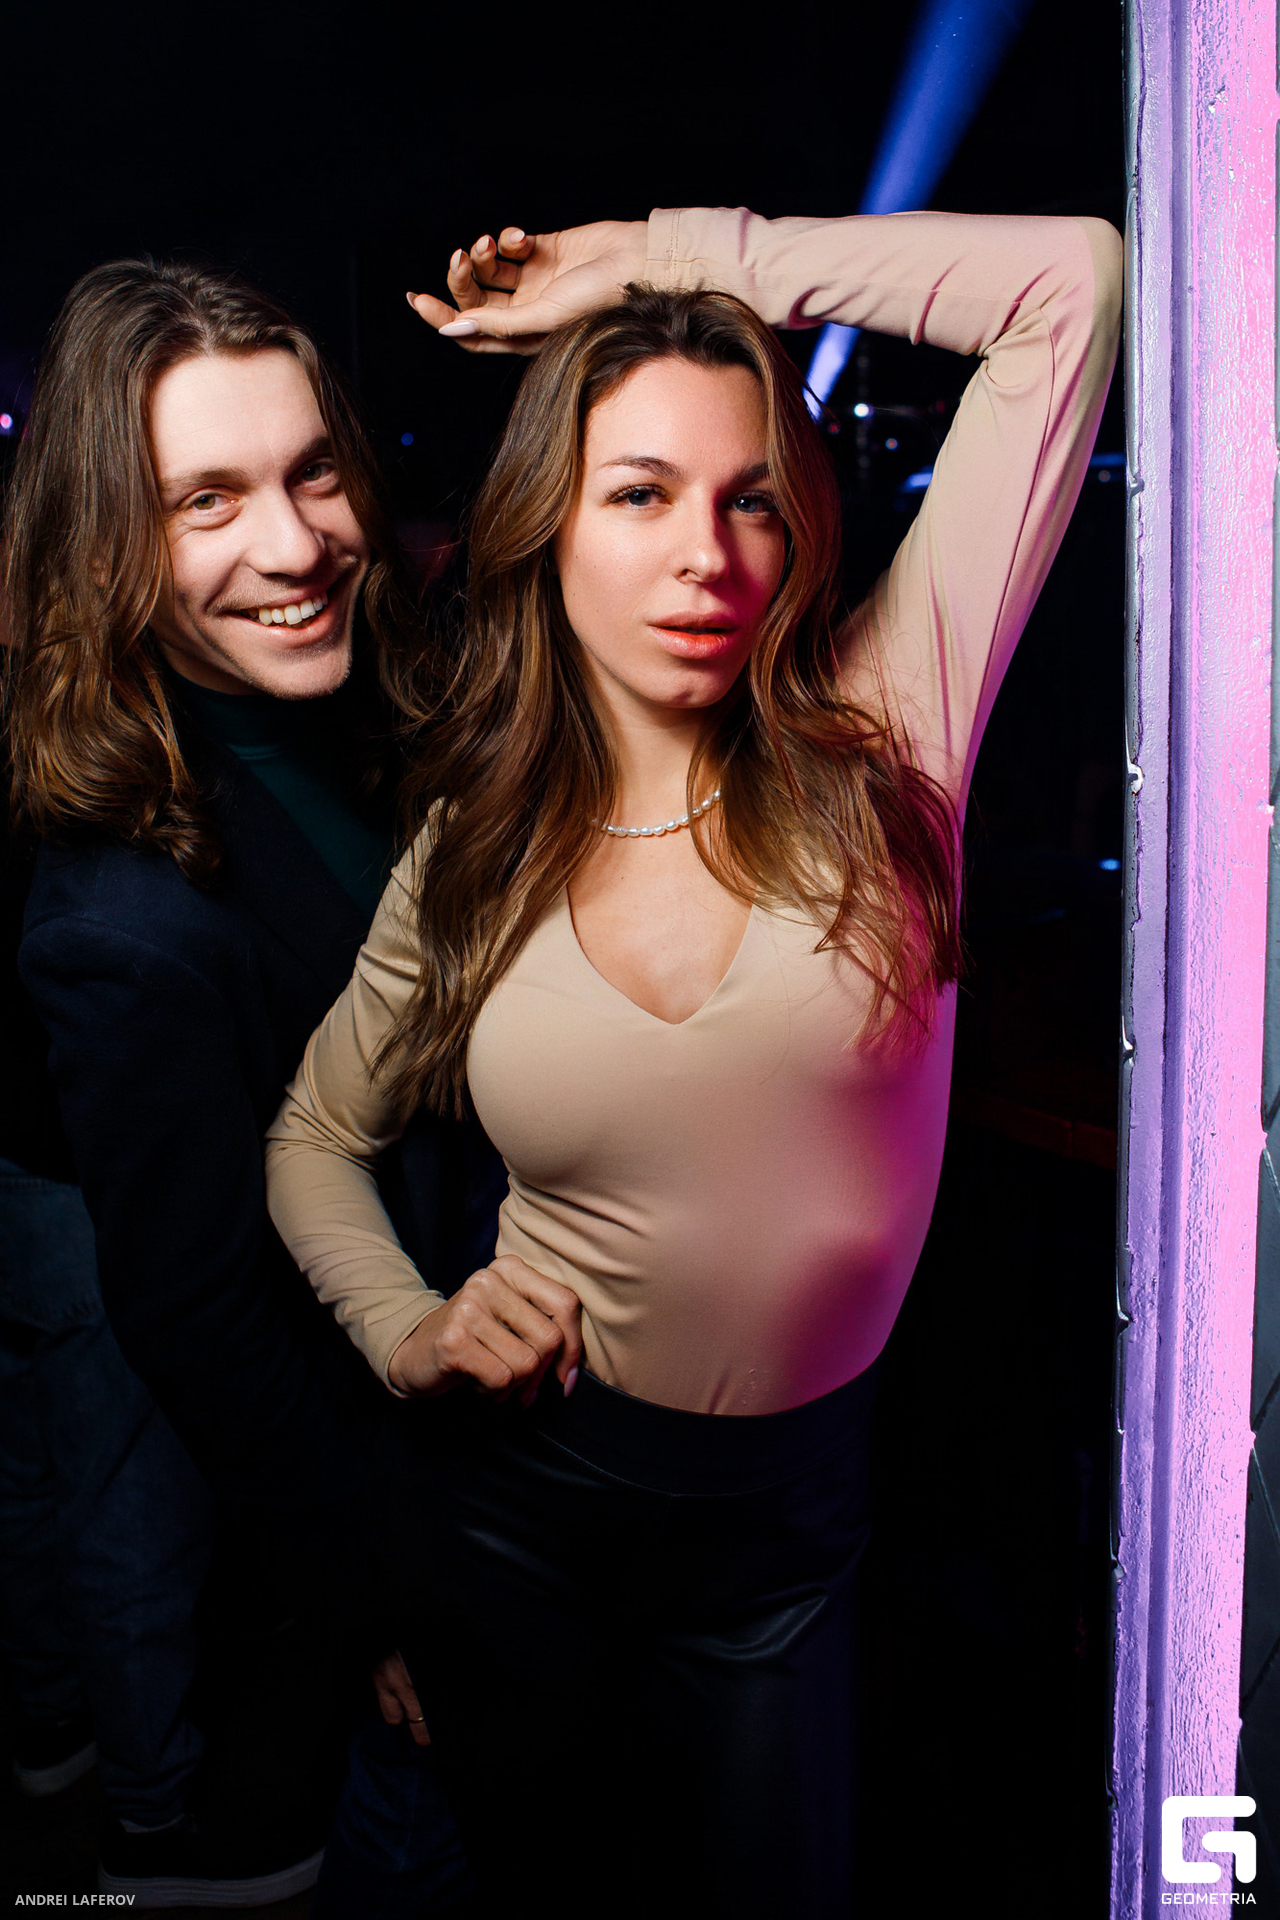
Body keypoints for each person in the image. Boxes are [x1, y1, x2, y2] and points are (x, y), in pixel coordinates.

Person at [265, 204, 1123, 1918]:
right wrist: (406, 1327)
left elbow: (1074, 285)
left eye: (750, 500)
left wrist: (659, 261)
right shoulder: (474, 855)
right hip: (513, 1509)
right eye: (640, 494)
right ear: (548, 529)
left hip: (784, 1548)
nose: (705, 558)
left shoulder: (890, 740)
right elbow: (311, 1137)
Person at [3, 259, 494, 1909]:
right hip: (358, 1530)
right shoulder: (121, 928)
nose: (293, 545)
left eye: (314, 472)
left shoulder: (370, 720)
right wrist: (389, 1591)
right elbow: (207, 1331)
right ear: (102, 547)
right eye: (205, 499)